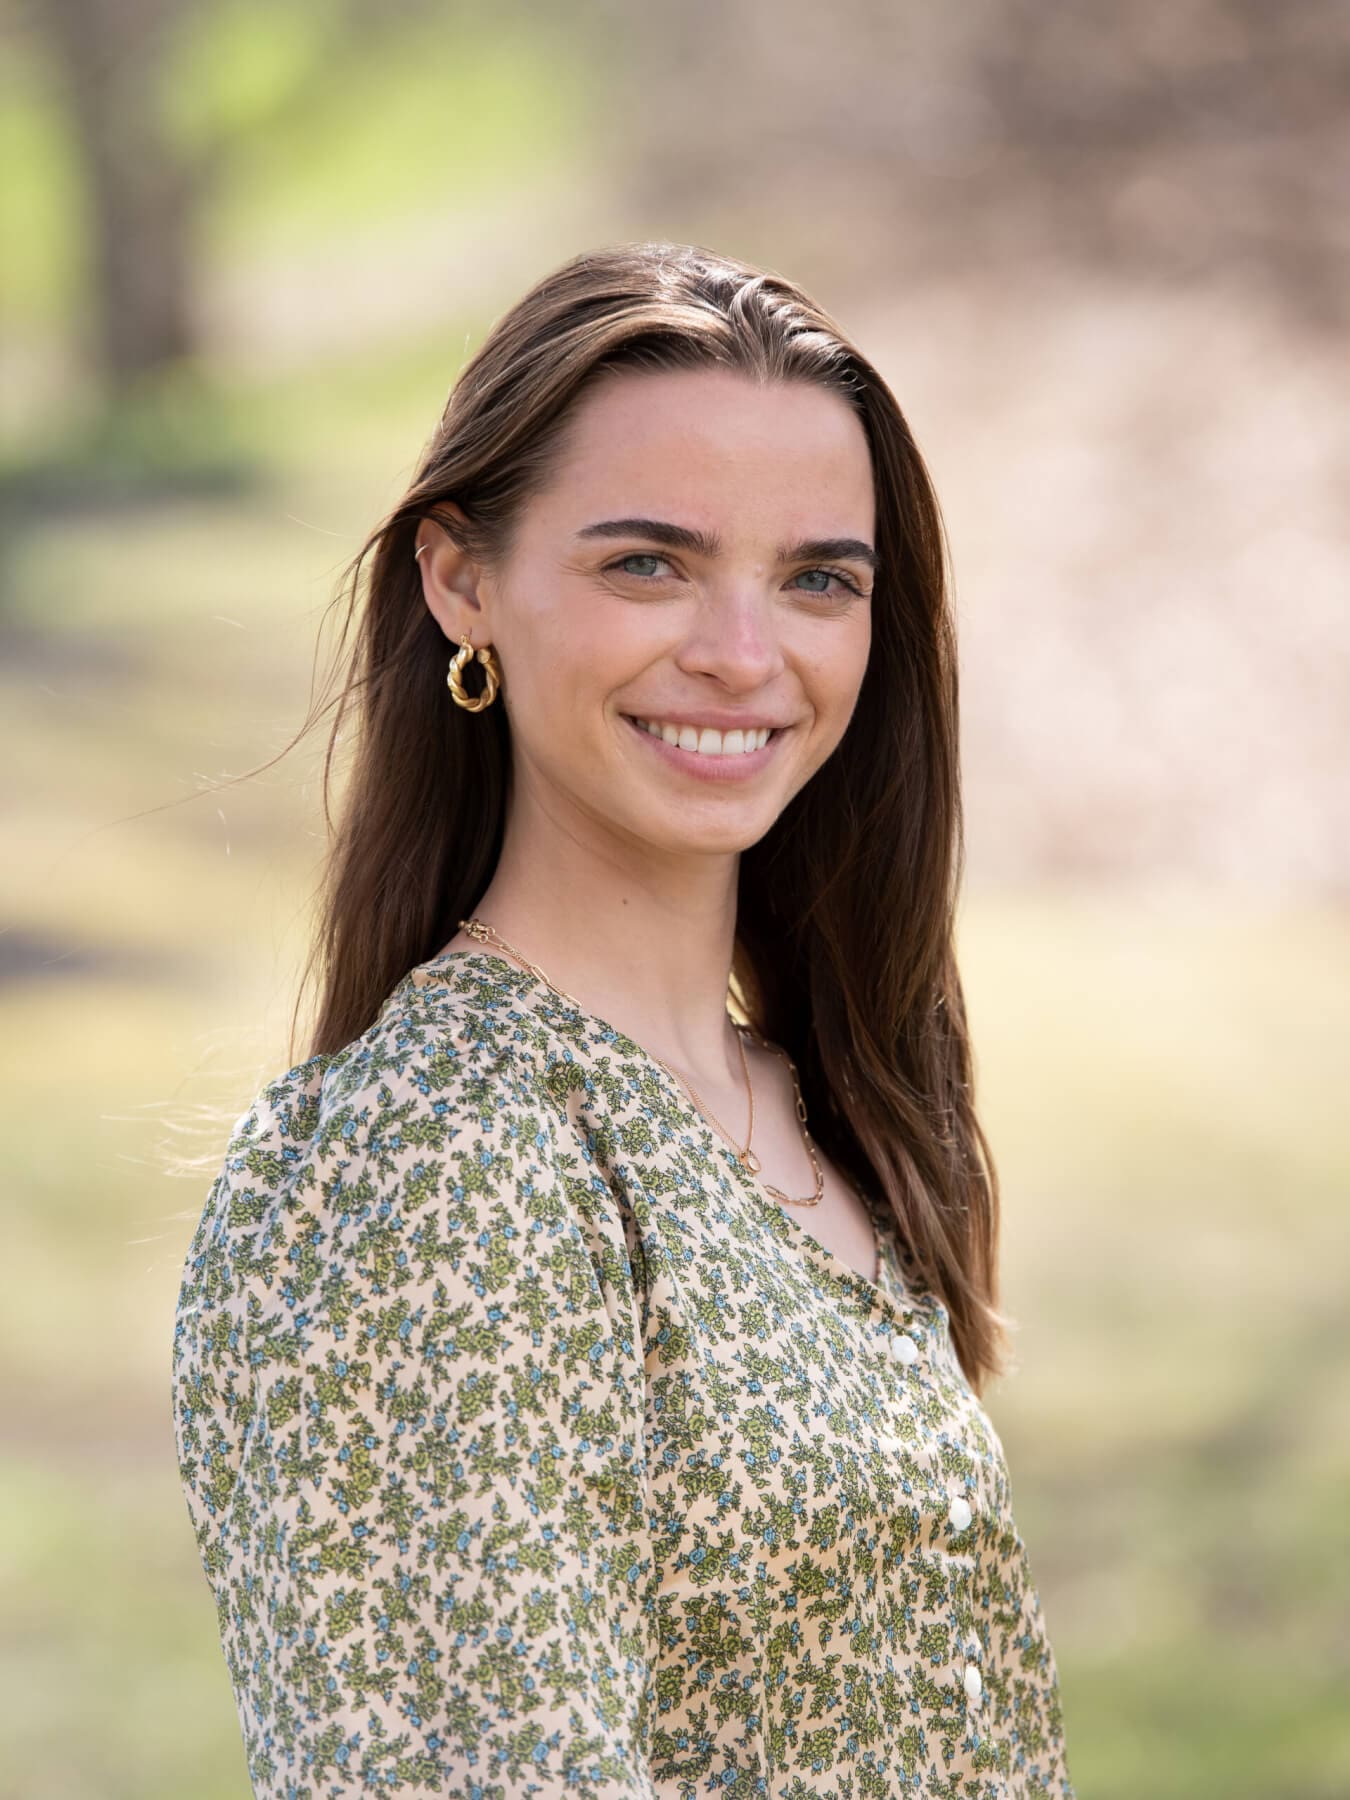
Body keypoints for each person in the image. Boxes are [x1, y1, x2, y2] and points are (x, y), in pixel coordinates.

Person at [171, 241, 1076, 1798]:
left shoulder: (813, 1108)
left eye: (817, 579)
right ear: (461, 580)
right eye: (646, 563)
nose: (744, 654)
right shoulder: (434, 1165)